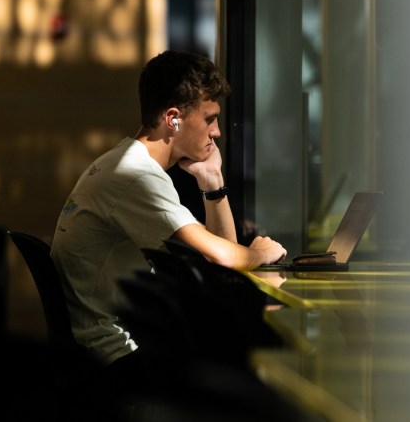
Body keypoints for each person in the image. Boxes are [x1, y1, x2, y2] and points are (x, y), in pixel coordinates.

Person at [50, 50, 287, 377]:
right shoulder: (135, 176)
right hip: (118, 362)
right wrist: (259, 253)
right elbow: (225, 258)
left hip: (106, 352)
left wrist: (212, 181)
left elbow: (222, 268)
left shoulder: (121, 162)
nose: (216, 131)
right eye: (209, 118)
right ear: (173, 118)